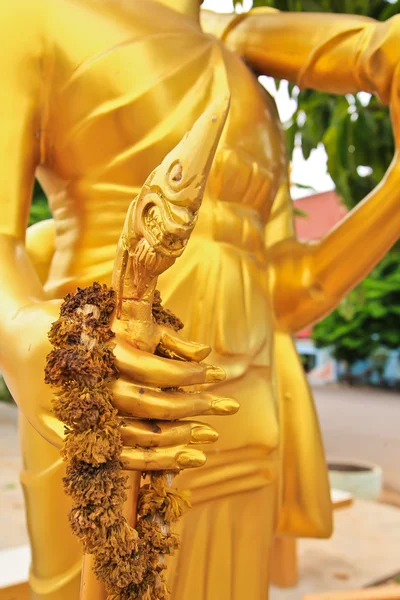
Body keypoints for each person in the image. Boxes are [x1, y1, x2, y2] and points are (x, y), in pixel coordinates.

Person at [1, 1, 399, 598]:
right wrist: (34, 343)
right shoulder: (35, 15)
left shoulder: (248, 81)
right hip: (105, 398)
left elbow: (290, 288)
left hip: (240, 410)